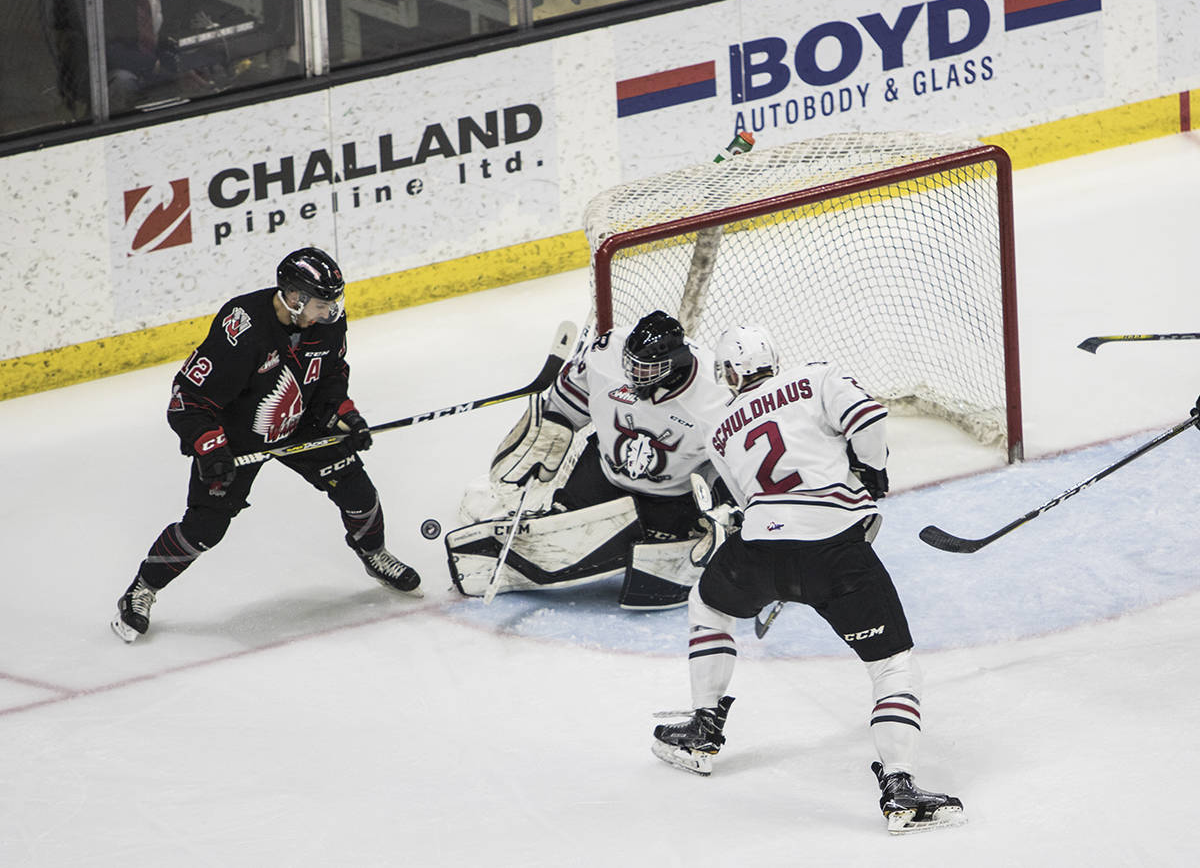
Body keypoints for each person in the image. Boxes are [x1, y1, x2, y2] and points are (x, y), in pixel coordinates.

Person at [650, 325, 964, 834]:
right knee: (892, 666)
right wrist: (872, 468)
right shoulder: (815, 376)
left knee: (708, 606)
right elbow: (868, 417)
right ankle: (900, 787)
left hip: (758, 550)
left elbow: (745, 502)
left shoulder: (721, 428)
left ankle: (703, 727)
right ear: (773, 358)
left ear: (729, 374)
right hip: (834, 550)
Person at [111, 247, 421, 643]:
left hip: (302, 421)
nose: (331, 312)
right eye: (323, 304)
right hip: (237, 438)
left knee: (359, 493)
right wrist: (210, 447)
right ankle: (142, 589)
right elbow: (186, 399)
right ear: (294, 298)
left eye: (334, 302)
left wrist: (345, 413)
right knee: (205, 527)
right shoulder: (242, 328)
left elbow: (331, 376)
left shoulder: (328, 323)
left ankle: (374, 555)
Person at [444, 310, 730, 609]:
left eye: (645, 369)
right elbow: (567, 403)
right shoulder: (607, 351)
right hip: (602, 474)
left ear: (676, 364)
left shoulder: (715, 395)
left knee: (653, 567)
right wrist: (548, 432)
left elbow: (727, 464)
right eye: (630, 364)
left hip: (672, 498)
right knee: (559, 532)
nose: (633, 375)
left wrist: (722, 503)